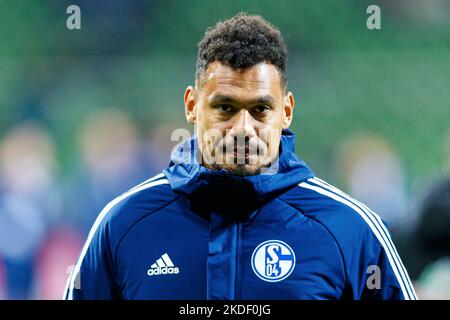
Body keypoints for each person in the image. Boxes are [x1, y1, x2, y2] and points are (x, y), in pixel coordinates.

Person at [63, 13, 417, 300]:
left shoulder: (350, 229)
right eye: (225, 107)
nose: (243, 128)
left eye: (261, 109)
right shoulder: (123, 224)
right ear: (191, 105)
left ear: (287, 111)